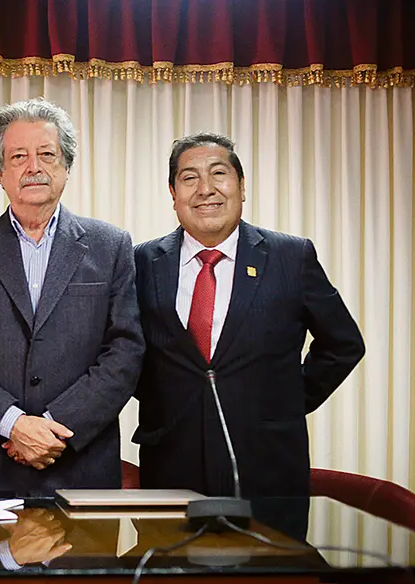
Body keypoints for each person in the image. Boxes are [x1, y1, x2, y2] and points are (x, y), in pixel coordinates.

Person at [0, 98, 145, 497]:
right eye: (18, 156)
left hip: (81, 463)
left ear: (67, 167)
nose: (33, 167)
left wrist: (53, 426)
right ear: (0, 173)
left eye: (47, 154)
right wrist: (14, 423)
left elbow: (125, 352)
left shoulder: (110, 246)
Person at [133, 132, 365, 498]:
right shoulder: (142, 262)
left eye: (218, 174)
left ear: (241, 187)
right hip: (171, 462)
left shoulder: (291, 256)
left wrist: (285, 401)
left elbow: (343, 344)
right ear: (173, 194)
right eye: (189, 178)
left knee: (270, 558)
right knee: (167, 557)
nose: (205, 189)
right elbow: (125, 350)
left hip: (268, 467)